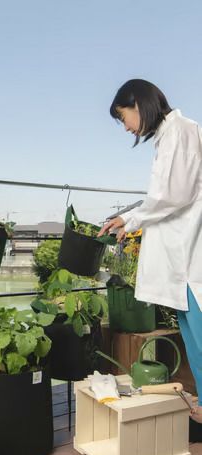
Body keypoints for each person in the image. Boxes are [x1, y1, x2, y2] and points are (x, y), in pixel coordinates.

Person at [98, 79, 202, 423]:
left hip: (189, 253)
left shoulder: (180, 131)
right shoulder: (169, 136)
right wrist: (129, 218)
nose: (126, 126)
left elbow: (175, 195)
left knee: (199, 332)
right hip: (179, 254)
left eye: (123, 116)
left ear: (139, 104)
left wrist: (130, 218)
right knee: (192, 335)